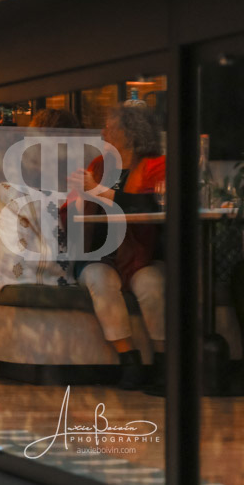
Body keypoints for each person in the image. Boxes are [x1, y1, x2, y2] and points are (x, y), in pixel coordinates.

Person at [67, 105, 165, 389]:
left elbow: (147, 207)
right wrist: (77, 198)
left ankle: (163, 363)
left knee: (152, 285)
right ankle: (129, 361)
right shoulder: (98, 165)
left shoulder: (157, 166)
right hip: (100, 254)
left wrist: (97, 191)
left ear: (130, 133)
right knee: (100, 280)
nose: (103, 133)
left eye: (110, 127)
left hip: (143, 255)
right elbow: (76, 210)